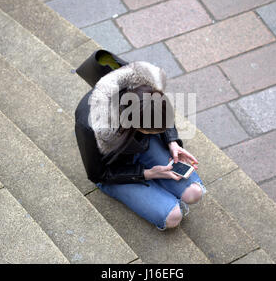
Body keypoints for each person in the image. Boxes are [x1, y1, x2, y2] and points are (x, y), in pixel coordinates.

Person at [75, 55, 205, 230]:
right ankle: (159, 194)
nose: (161, 131)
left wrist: (172, 141)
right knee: (173, 217)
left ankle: (160, 192)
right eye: (154, 131)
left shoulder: (143, 82)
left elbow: (160, 117)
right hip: (113, 169)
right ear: (134, 124)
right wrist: (149, 174)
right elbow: (98, 174)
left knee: (194, 193)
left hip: (139, 144)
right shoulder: (92, 126)